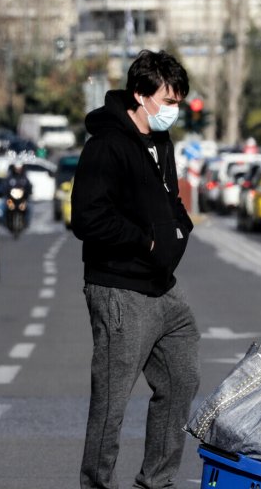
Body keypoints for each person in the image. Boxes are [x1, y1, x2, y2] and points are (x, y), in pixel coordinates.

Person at [71, 50, 198, 489]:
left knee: (182, 380)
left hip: (164, 289)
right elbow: (87, 217)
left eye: (179, 100)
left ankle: (156, 482)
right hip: (119, 289)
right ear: (141, 95)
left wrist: (180, 230)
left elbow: (172, 203)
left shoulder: (161, 143)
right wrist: (145, 242)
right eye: (168, 100)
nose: (174, 109)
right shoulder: (106, 145)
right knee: (111, 400)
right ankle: (96, 483)